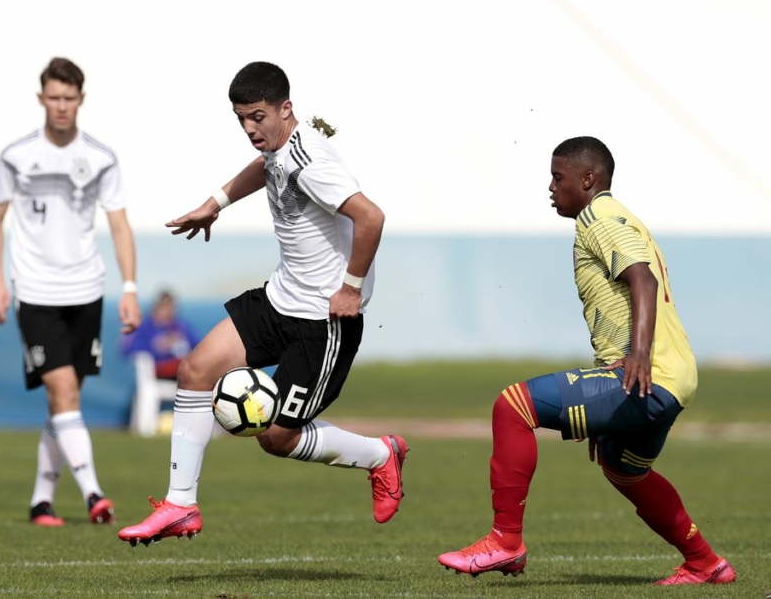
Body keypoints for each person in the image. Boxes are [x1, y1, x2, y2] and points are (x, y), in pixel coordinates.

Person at [117, 60, 408, 547]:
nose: (251, 130)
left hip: (323, 321)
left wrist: (352, 288)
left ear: (285, 108)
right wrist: (217, 201)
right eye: (242, 120)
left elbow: (371, 218)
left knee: (277, 438)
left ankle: (381, 456)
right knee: (194, 372)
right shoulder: (279, 146)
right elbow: (265, 166)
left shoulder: (312, 161)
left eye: (258, 117)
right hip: (279, 299)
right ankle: (180, 505)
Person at [437, 136, 735, 585]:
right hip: (674, 376)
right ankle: (705, 563)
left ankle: (505, 542)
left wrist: (636, 357)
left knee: (512, 405)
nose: (551, 187)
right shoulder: (617, 217)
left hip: (647, 374)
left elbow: (643, 282)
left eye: (559, 177)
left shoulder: (600, 217)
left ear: (588, 179)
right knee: (625, 469)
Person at [0, 57, 142, 527]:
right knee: (64, 390)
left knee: (63, 401)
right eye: (53, 97)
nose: (61, 106)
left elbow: (119, 225)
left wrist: (129, 288)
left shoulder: (101, 157)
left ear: (81, 100)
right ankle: (94, 493)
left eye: (69, 98)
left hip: (86, 290)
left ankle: (41, 502)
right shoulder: (16, 155)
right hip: (35, 291)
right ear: (41, 99)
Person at [121, 289, 200, 379]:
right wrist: (155, 346)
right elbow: (128, 348)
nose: (167, 311)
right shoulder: (145, 327)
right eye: (163, 307)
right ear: (156, 308)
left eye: (170, 307)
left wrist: (181, 342)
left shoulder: (181, 326)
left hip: (183, 371)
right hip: (157, 373)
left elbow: (197, 345)